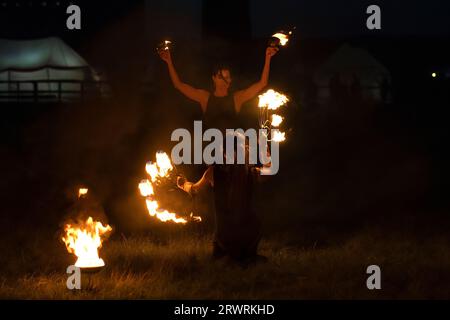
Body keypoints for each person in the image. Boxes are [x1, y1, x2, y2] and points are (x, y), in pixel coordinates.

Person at [158, 44, 278, 264]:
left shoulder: (237, 98)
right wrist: (168, 61)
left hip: (238, 157)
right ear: (214, 77)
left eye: (230, 78)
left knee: (243, 206)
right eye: (224, 77)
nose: (228, 81)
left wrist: (267, 57)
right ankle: (224, 250)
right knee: (222, 206)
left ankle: (243, 251)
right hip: (217, 156)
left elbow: (262, 84)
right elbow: (178, 85)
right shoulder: (205, 98)